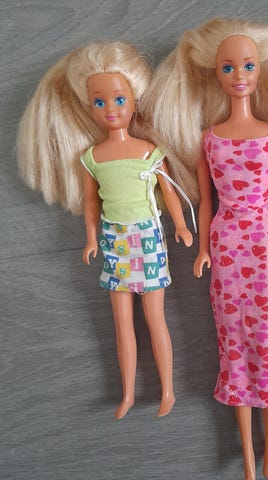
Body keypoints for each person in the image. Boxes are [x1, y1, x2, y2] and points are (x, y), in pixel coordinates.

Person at [141, 18, 268, 479]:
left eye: (247, 65)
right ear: (216, 73)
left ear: (260, 70)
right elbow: (206, 201)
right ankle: (246, 454)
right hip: (225, 243)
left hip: (265, 243)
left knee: (265, 340)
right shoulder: (210, 138)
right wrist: (204, 249)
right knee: (230, 342)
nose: (238, 75)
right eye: (228, 67)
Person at [17, 41, 196, 419]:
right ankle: (127, 393)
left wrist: (180, 225)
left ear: (134, 101)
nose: (110, 109)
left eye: (118, 100)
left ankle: (167, 390)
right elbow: (91, 203)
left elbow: (168, 191)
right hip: (114, 240)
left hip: (147, 237)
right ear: (89, 108)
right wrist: (90, 239)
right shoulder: (92, 158)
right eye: (99, 103)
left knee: (155, 318)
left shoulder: (148, 152)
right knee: (121, 322)